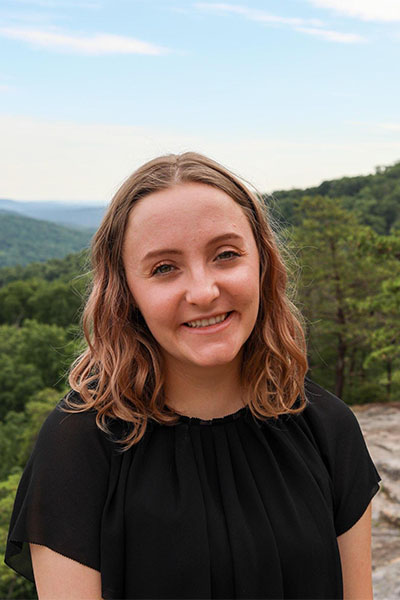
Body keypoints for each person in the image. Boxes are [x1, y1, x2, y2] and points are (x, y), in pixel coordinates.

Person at [5, 151, 381, 600]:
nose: (204, 292)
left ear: (262, 264)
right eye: (164, 268)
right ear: (127, 294)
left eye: (225, 255)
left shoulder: (328, 428)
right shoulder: (78, 447)